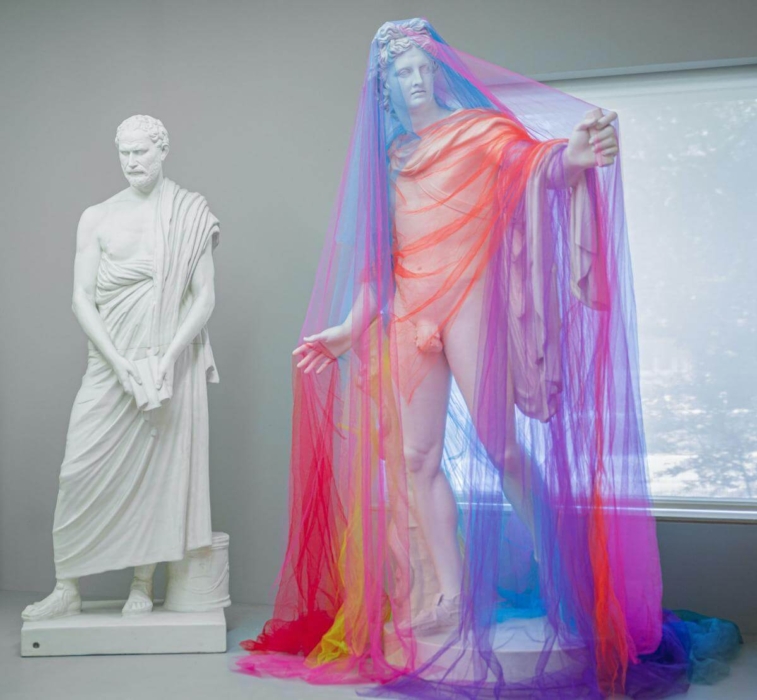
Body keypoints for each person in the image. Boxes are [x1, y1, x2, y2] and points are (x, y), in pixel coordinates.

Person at [240, 19, 740, 698]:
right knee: (413, 460)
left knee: (500, 446)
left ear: (437, 70)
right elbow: (378, 261)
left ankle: (560, 569)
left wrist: (574, 158)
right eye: (399, 74)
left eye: (421, 68)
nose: (412, 81)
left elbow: (536, 168)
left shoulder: (476, 131)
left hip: (470, 299)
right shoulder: (392, 158)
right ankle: (446, 593)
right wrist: (348, 329)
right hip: (407, 314)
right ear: (384, 86)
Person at [22, 115, 220, 621]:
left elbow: (204, 298)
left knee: (157, 472)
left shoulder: (189, 213)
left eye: (141, 152)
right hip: (111, 364)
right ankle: (67, 586)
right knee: (77, 472)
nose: (133, 162)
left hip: (162, 362)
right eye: (125, 153)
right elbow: (80, 299)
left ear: (162, 151)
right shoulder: (97, 216)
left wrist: (167, 360)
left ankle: (141, 583)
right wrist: (120, 364)